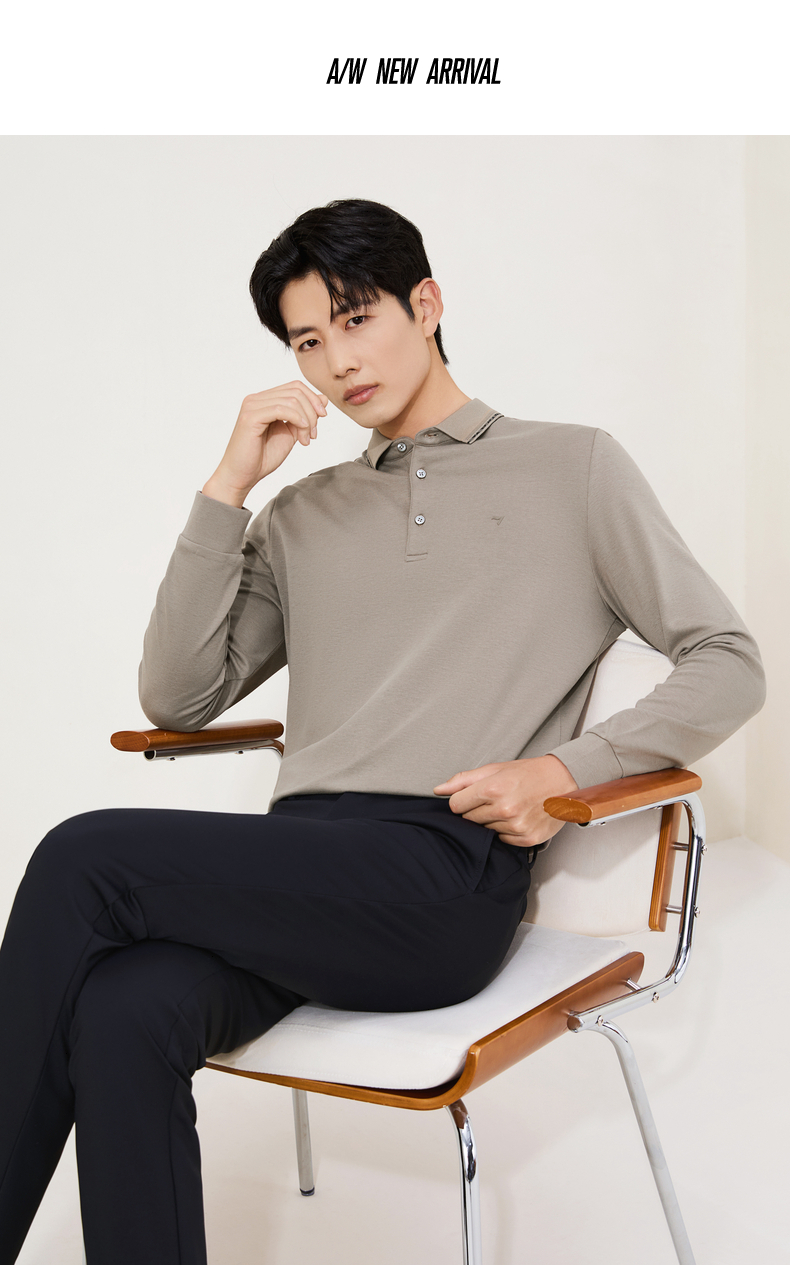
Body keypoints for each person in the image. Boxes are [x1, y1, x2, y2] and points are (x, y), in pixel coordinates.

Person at [0, 198, 765, 1265]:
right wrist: (229, 486)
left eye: (356, 318)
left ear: (427, 303)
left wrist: (563, 768)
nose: (338, 361)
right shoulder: (300, 515)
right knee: (125, 1006)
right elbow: (177, 694)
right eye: (307, 341)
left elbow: (727, 657)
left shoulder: (573, 466)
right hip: (299, 874)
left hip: (435, 873)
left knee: (84, 855)